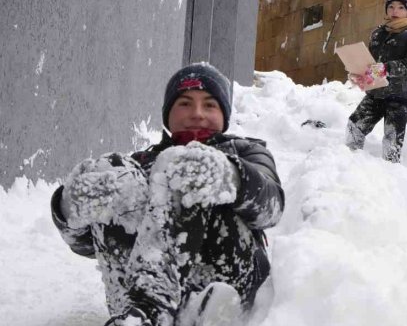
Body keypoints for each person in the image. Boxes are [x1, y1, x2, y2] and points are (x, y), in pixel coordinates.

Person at [50, 62, 284, 326]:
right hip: (132, 300)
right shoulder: (138, 166)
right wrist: (69, 209)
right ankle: (139, 315)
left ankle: (155, 309)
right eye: (185, 103)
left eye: (209, 105)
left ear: (224, 114)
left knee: (184, 164)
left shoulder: (246, 152)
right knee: (112, 169)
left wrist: (231, 176)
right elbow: (90, 246)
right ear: (168, 112)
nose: (197, 113)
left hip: (226, 285)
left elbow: (271, 209)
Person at [345, 0, 407, 163]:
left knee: (392, 140)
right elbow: (371, 64)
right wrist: (361, 74)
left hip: (400, 96)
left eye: (400, 7)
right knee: (355, 125)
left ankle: (391, 173)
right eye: (391, 6)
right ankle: (350, 164)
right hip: (376, 93)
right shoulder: (379, 33)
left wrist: (387, 69)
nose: (395, 11)